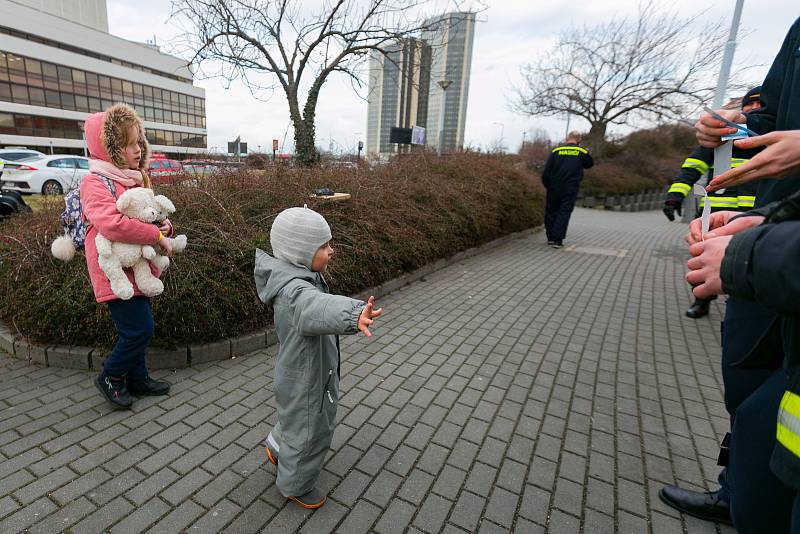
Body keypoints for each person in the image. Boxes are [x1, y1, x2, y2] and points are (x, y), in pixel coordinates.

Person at [661, 16, 800, 532]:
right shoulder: (797, 32)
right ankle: (736, 490)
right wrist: (728, 127)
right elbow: (763, 120)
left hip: (762, 253)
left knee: (769, 415)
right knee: (747, 389)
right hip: (755, 243)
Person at [253, 206, 383, 509]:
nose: (331, 251)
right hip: (307, 379)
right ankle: (295, 485)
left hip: (299, 373)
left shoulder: (296, 275)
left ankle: (277, 446)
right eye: (323, 246)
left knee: (297, 418)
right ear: (300, 252)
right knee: (312, 429)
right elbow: (317, 307)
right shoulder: (296, 292)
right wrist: (354, 314)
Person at [81, 103, 174, 409]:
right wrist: (155, 235)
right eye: (128, 143)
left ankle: (138, 377)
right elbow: (112, 223)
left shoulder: (133, 178)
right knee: (139, 328)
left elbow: (150, 214)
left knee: (136, 326)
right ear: (108, 147)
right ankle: (111, 375)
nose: (138, 149)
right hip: (116, 269)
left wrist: (164, 225)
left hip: (140, 266)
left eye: (138, 141)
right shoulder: (95, 182)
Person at [663, 88, 763, 318]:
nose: (756, 109)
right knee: (703, 257)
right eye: (751, 105)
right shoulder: (722, 137)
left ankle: (738, 300)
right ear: (743, 109)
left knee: (745, 259)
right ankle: (702, 299)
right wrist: (674, 195)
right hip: (715, 213)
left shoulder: (771, 139)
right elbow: (692, 167)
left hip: (754, 214)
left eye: (762, 105)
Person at [541, 130, 594, 248]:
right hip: (570, 187)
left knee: (551, 211)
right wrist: (587, 153)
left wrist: (547, 184)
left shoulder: (556, 151)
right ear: (579, 140)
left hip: (554, 187)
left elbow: (547, 170)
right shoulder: (581, 152)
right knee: (564, 212)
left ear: (567, 138)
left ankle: (550, 237)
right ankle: (557, 240)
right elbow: (589, 164)